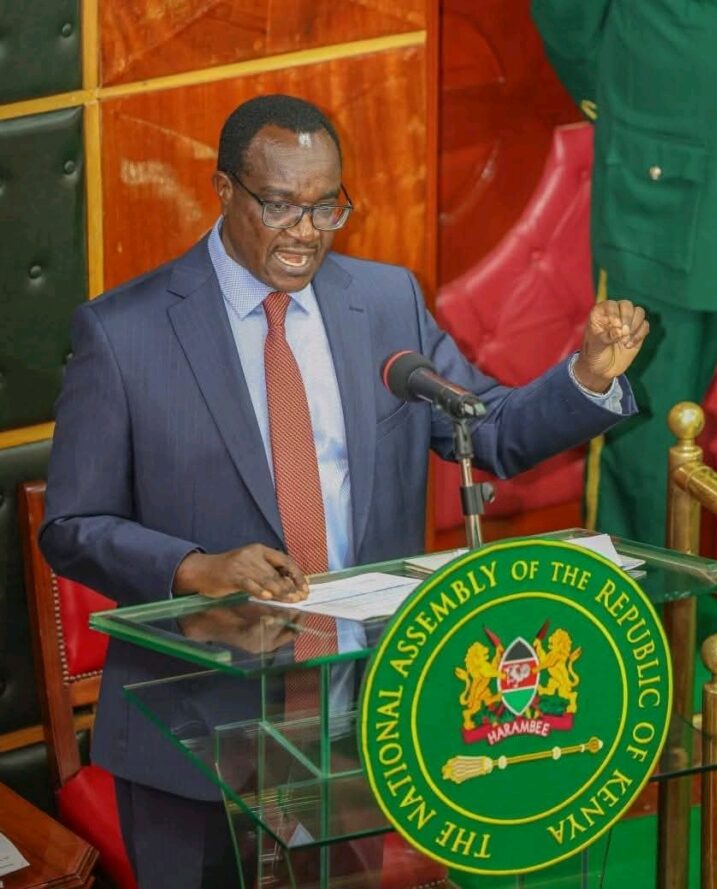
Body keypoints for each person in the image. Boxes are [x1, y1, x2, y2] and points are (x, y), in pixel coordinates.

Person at [40, 94, 649, 888]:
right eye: (281, 205)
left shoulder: (384, 302)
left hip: (357, 720)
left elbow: (486, 428)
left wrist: (587, 377)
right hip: (193, 729)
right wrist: (196, 567)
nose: (305, 232)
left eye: (326, 206)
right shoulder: (124, 333)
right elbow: (72, 524)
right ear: (223, 189)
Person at [532, 1, 717, 593]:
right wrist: (621, 92)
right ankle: (637, 643)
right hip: (675, 170)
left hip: (683, 154)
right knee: (645, 433)